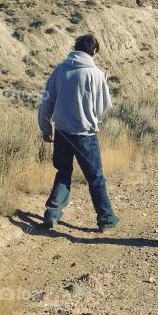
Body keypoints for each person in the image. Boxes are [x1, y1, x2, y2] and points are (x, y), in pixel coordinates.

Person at [37, 34, 119, 233]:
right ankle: (106, 220)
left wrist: (45, 127)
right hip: (85, 135)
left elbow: (47, 101)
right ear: (95, 52)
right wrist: (104, 84)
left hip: (62, 132)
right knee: (95, 177)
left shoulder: (60, 69)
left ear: (75, 48)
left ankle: (52, 213)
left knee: (63, 172)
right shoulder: (95, 74)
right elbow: (102, 109)